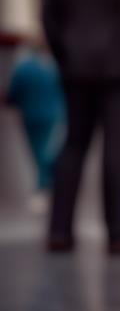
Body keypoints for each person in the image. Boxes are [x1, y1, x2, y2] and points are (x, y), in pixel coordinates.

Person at [42, 0, 120, 254]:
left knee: (73, 145)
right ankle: (118, 233)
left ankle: (59, 231)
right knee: (116, 151)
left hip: (74, 65)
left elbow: (49, 17)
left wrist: (65, 57)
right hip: (119, 69)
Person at [5, 39, 66, 203]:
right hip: (53, 115)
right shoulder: (54, 67)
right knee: (46, 151)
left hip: (30, 115)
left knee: (38, 151)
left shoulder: (24, 68)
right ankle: (48, 185)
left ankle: (43, 187)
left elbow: (13, 92)